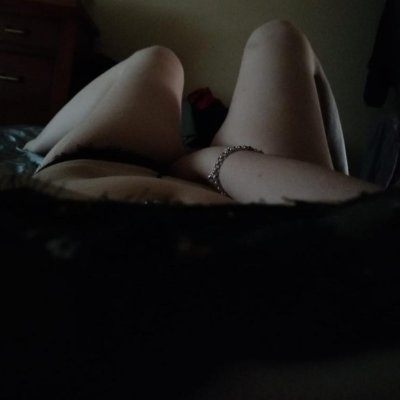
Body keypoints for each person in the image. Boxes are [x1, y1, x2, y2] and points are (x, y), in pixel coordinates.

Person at [24, 19, 382, 206]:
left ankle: (34, 145)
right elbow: (367, 221)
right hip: (258, 193)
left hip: (93, 170)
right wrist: (204, 161)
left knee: (158, 59)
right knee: (279, 37)